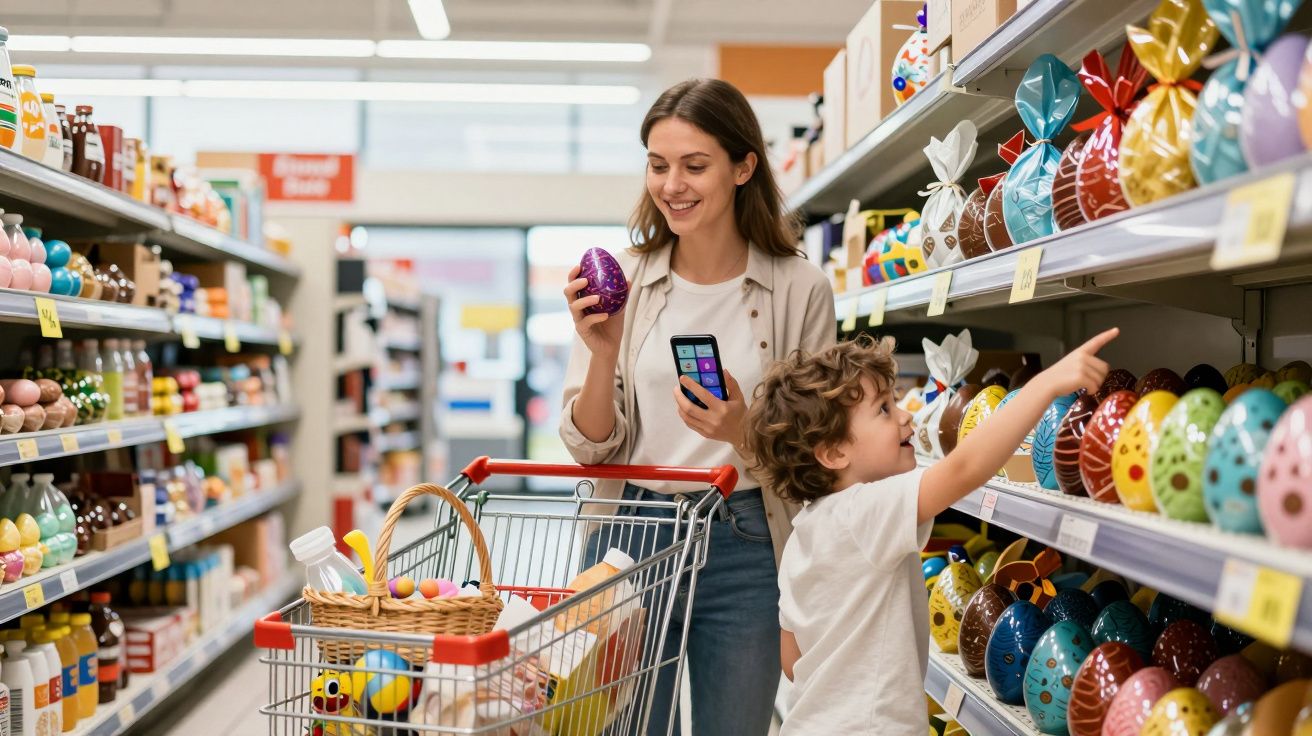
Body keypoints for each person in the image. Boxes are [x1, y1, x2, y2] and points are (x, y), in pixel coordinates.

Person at [559, 78, 835, 735]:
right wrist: (602, 352)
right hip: (630, 537)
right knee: (617, 728)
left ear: (744, 168)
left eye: (694, 166)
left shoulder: (801, 289)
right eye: (658, 165)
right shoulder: (624, 279)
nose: (672, 185)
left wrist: (745, 434)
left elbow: (822, 457)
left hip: (746, 542)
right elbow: (591, 445)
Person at [744, 328, 1120, 734]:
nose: (905, 415)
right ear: (834, 453)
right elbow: (964, 468)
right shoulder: (864, 512)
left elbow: (792, 658)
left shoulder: (805, 532)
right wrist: (1046, 385)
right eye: (884, 409)